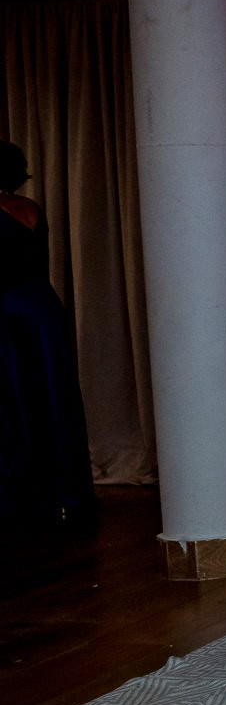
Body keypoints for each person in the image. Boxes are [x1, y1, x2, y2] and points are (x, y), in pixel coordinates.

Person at [0, 140, 94, 540]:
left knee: (13, 405)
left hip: (6, 315)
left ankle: (20, 503)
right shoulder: (31, 208)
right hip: (43, 310)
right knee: (52, 402)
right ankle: (66, 498)